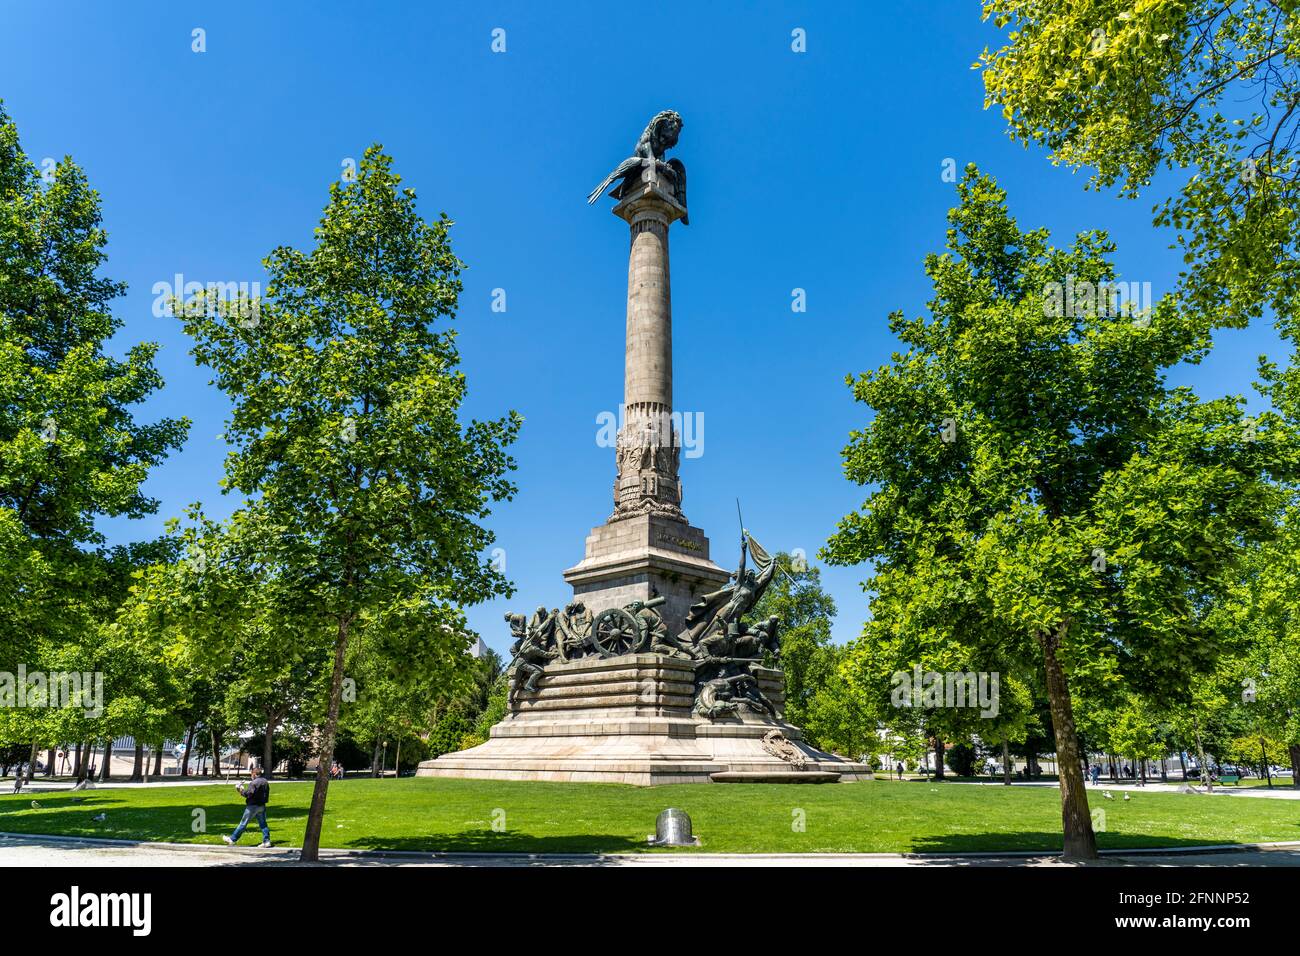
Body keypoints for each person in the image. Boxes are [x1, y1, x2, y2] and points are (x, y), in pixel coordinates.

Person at [223, 764, 271, 847]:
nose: (251, 776)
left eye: (251, 774)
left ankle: (232, 839)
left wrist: (240, 789)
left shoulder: (254, 783)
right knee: (263, 824)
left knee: (243, 823)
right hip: (262, 805)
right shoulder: (265, 781)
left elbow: (248, 794)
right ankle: (267, 841)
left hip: (252, 806)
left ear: (254, 774)